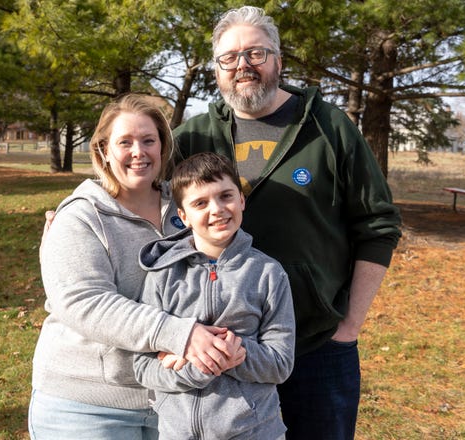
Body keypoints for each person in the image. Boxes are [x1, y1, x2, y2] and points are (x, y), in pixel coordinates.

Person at [173, 6, 402, 439]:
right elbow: (136, 189)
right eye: (229, 58)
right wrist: (77, 212)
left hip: (316, 346)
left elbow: (378, 224)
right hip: (221, 349)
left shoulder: (328, 127)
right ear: (217, 70)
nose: (243, 66)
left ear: (278, 60)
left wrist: (348, 326)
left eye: (256, 53)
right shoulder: (194, 137)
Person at [29, 94, 244, 439]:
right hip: (87, 408)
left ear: (163, 146)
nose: (138, 152)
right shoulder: (80, 217)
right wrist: (181, 335)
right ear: (102, 150)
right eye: (124, 142)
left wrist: (228, 341)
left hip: (176, 401)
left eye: (148, 140)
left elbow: (229, 270)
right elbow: (85, 302)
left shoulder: (188, 207)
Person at [133, 152, 295, 439]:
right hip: (177, 433)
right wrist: (201, 366)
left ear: (242, 200)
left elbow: (280, 363)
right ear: (183, 216)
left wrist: (237, 351)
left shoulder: (269, 274)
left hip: (255, 431)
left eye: (226, 196)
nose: (217, 209)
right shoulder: (163, 274)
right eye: (200, 203)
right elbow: (144, 368)